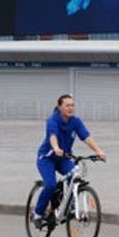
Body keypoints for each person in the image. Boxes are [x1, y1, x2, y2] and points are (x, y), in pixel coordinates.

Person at [32, 95, 106, 229]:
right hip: (47, 158)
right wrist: (55, 147)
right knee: (50, 185)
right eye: (67, 105)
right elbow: (52, 135)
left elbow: (86, 136)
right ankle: (37, 213)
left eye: (72, 105)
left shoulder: (75, 121)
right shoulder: (52, 120)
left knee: (74, 175)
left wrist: (98, 151)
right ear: (60, 106)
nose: (70, 108)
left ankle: (71, 207)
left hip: (63, 158)